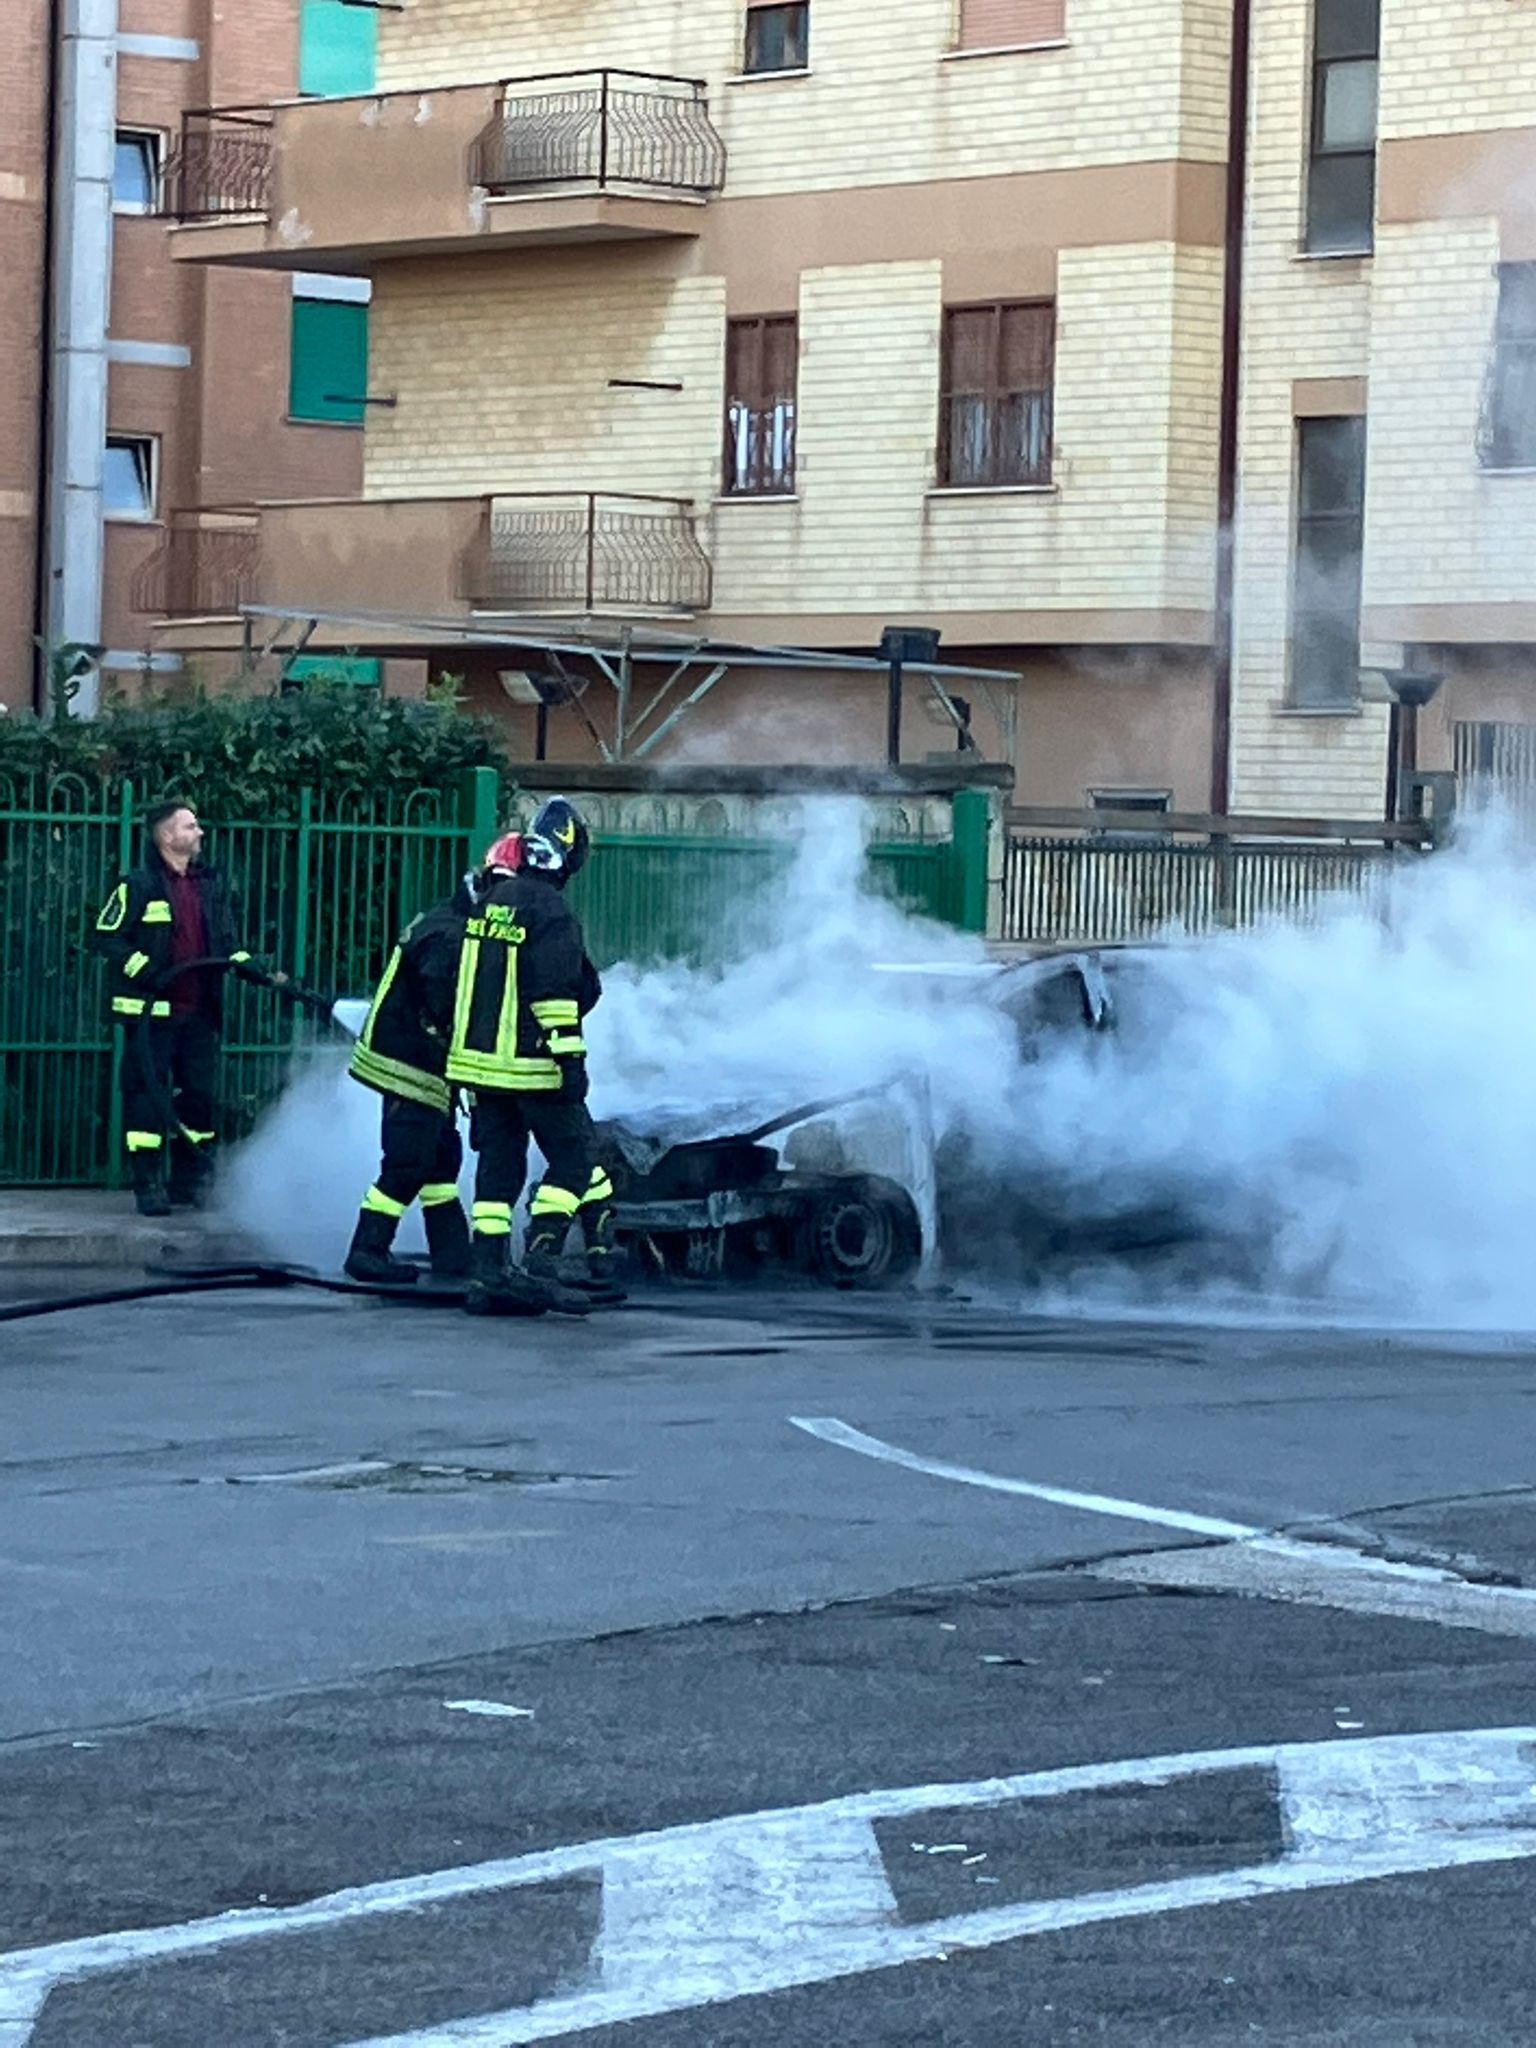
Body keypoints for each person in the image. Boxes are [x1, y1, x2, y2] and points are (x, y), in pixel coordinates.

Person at [441, 797, 618, 1316]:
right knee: (575, 1158)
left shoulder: (491, 903)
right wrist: (572, 1065)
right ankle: (543, 1257)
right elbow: (555, 997)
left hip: (481, 1068)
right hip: (531, 1065)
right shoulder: (552, 912)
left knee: (498, 1168)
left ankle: (488, 1272)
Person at [91, 799, 277, 1216]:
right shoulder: (137, 885)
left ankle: (189, 1183)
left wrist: (248, 965)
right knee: (148, 1100)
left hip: (199, 1014)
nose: (200, 833)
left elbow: (226, 943)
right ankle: (148, 1185)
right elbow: (107, 937)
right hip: (150, 1016)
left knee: (199, 1100)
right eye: (190, 826)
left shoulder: (207, 885)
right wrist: (146, 970)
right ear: (166, 836)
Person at [340, 852, 500, 1287]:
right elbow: (446, 1003)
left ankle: (451, 1252)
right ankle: (367, 1250)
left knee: (440, 1158)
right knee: (408, 1160)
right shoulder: (449, 936)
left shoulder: (453, 920)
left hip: (423, 1061)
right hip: (408, 1063)